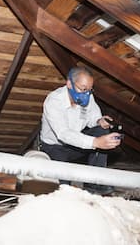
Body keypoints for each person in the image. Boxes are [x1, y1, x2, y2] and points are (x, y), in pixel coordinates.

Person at [39, 66, 122, 194]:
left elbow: (92, 118)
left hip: (75, 145)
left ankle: (94, 183)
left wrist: (99, 121)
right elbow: (63, 133)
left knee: (101, 130)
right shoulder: (54, 100)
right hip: (54, 148)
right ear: (69, 84)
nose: (86, 94)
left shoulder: (87, 96)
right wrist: (95, 142)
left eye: (89, 90)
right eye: (83, 89)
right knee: (63, 190)